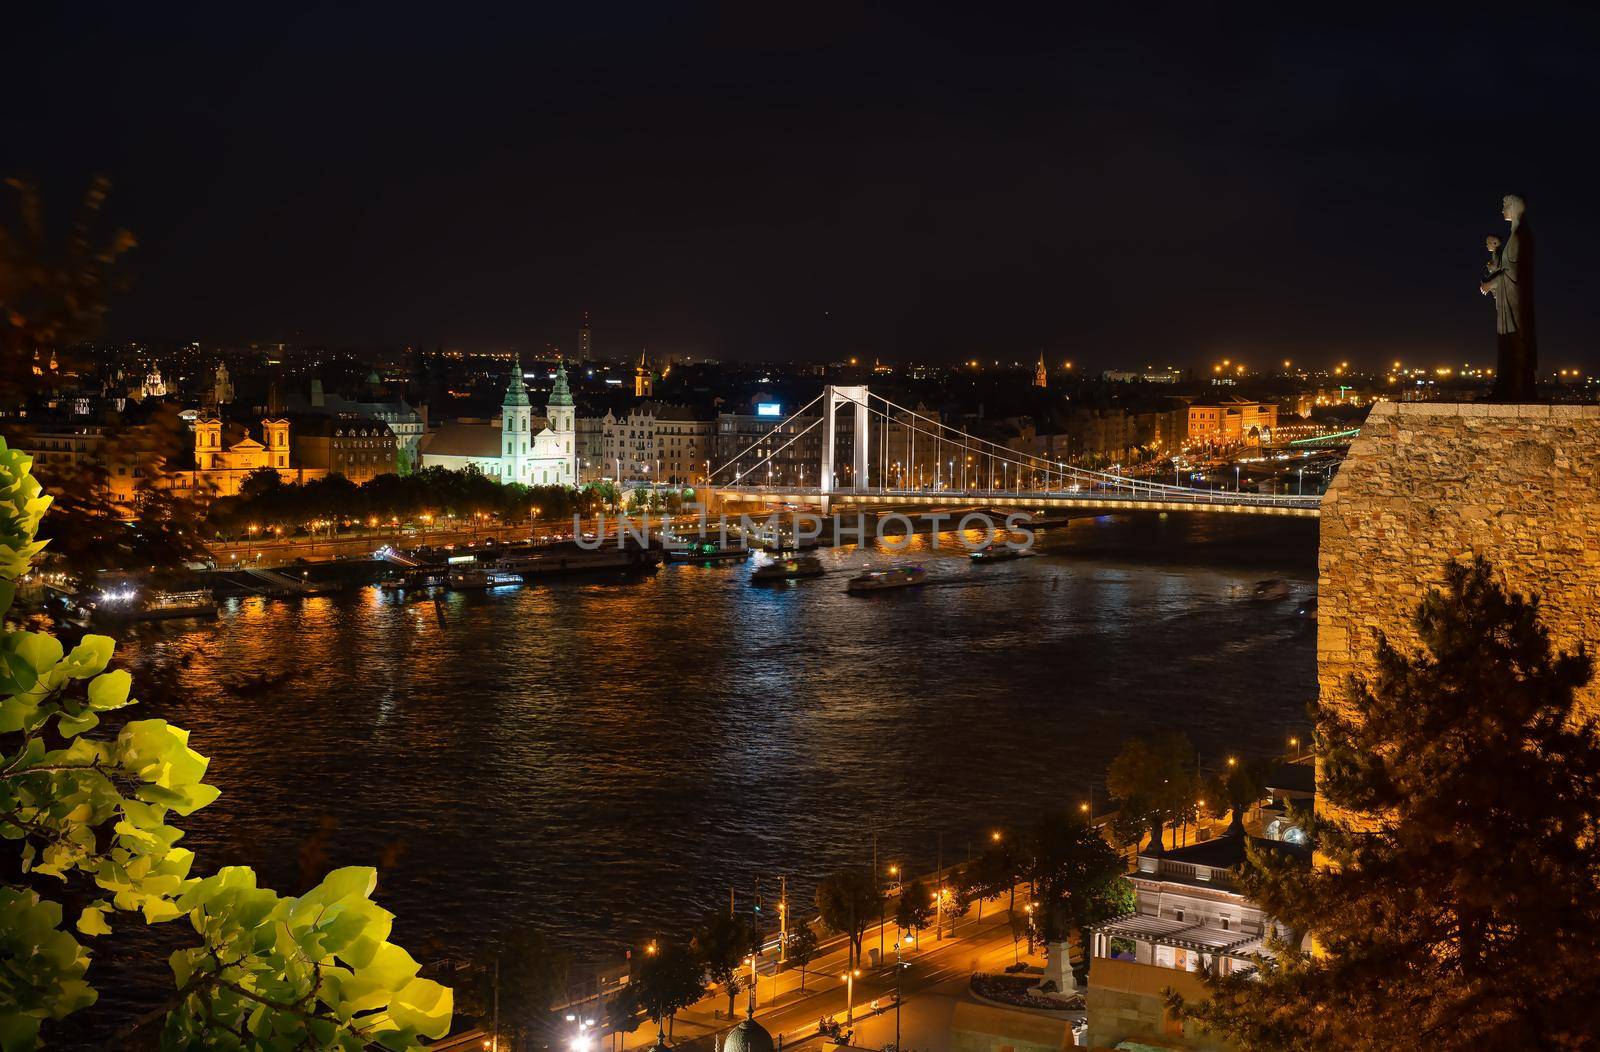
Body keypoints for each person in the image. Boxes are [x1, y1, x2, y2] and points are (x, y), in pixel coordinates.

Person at [1479, 195, 1537, 400]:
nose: (1502, 209)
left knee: (1514, 338)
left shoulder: (1519, 236)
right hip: (1510, 300)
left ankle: (1514, 387)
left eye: (1504, 206)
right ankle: (1508, 385)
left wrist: (1489, 283)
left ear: (1514, 207)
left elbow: (1512, 272)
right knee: (1509, 341)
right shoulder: (1516, 235)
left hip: (1515, 301)